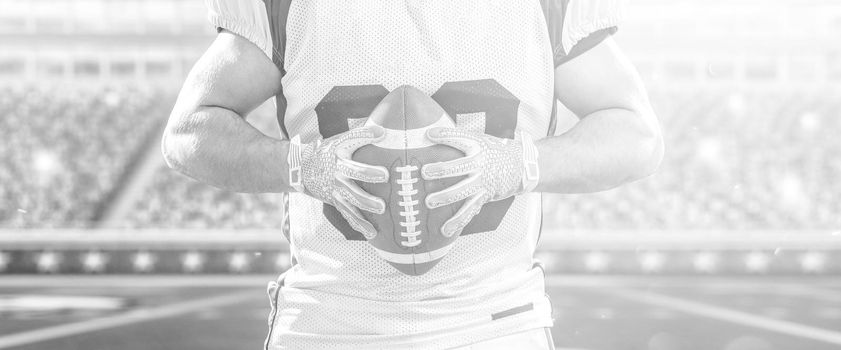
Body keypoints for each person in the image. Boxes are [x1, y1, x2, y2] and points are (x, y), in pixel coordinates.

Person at [162, 0, 663, 348]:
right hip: (330, 322)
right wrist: (303, 166)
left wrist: (518, 165)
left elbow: (637, 137)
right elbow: (187, 132)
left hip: (493, 322)